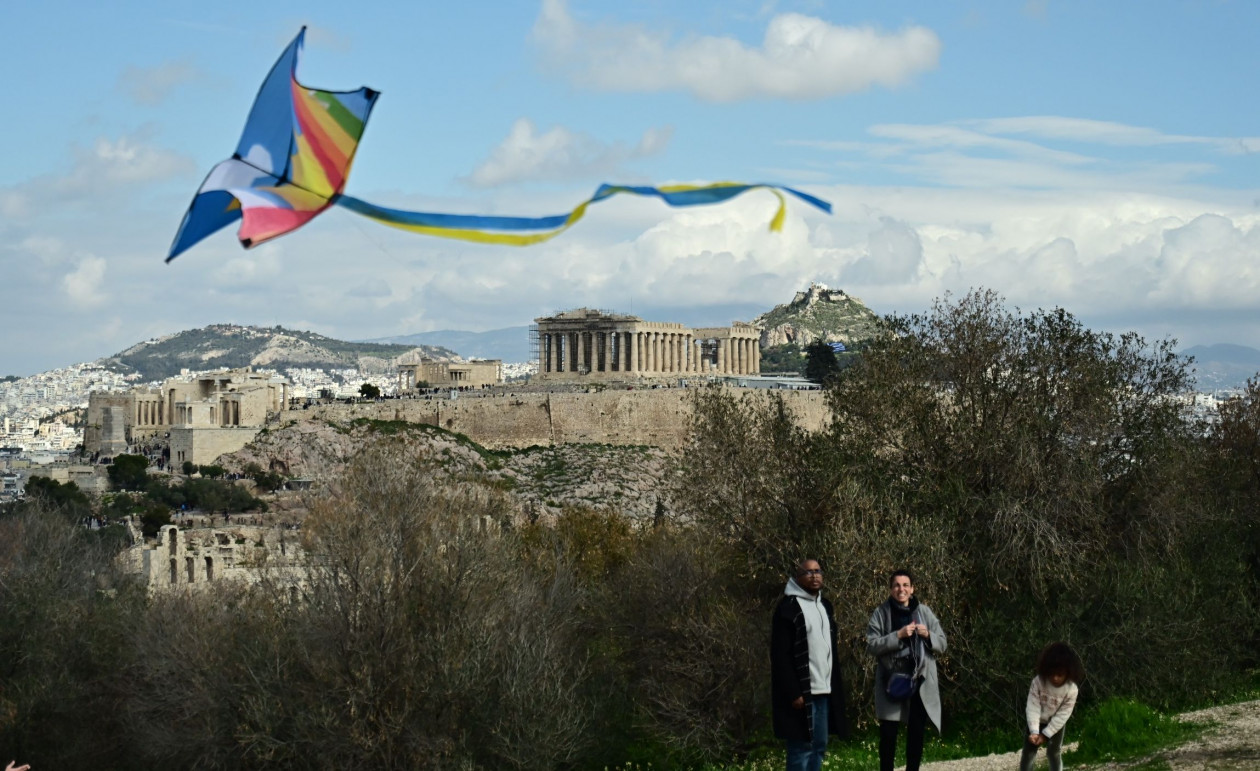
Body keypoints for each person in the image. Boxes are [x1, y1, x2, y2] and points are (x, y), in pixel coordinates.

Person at [770, 559, 848, 771]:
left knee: (819, 747)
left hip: (824, 690)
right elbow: (780, 655)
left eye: (818, 571)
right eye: (808, 572)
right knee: (801, 748)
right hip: (802, 694)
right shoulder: (788, 608)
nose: (814, 576)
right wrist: (794, 692)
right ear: (798, 578)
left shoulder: (825, 606)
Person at [866, 569, 947, 771]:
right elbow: (871, 645)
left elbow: (943, 643)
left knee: (916, 732)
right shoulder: (881, 612)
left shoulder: (924, 612)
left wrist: (928, 635)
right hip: (892, 681)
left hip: (919, 680)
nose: (901, 589)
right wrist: (898, 635)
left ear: (912, 589)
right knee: (888, 734)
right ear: (891, 589)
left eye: (905, 585)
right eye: (896, 585)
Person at [1021, 642, 1084, 771]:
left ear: (1068, 672)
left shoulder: (1071, 690)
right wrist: (1034, 731)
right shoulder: (1038, 682)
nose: (1055, 678)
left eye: (1060, 674)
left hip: (1056, 724)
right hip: (1036, 720)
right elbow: (1032, 706)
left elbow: (1063, 715)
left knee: (1054, 752)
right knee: (1028, 752)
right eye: (1052, 673)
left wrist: (1046, 734)